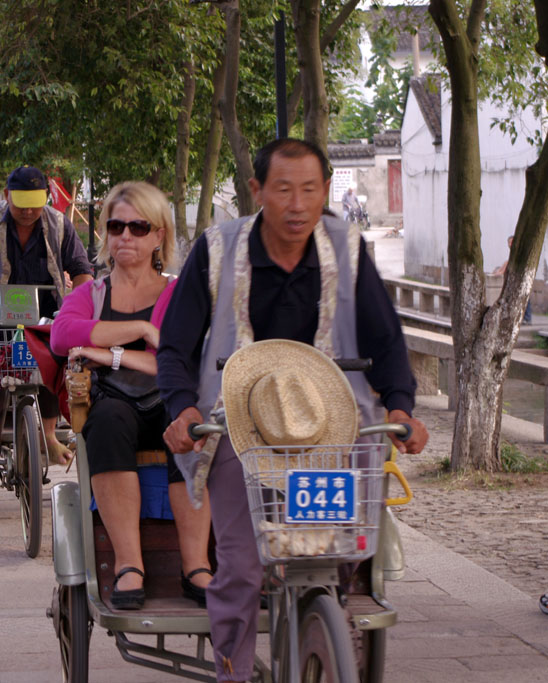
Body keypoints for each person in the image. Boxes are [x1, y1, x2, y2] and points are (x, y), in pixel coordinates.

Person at [158, 138, 430, 682]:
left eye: (310, 189)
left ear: (327, 190)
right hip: (243, 423)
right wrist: (182, 407)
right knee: (239, 564)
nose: (298, 204)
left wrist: (402, 406)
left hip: (334, 424)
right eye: (283, 189)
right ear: (258, 191)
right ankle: (231, 671)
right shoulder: (218, 248)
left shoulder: (347, 248)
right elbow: (176, 344)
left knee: (345, 548)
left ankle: (330, 618)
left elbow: (387, 339)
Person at [50, 181, 213, 609]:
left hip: (171, 401)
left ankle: (196, 565)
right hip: (116, 406)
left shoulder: (178, 292)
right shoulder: (93, 293)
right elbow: (63, 336)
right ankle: (128, 564)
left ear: (159, 234)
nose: (126, 236)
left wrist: (107, 353)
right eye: (117, 226)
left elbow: (178, 362)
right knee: (105, 423)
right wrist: (142, 332)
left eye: (139, 227)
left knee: (191, 426)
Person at [0, 164, 93, 501]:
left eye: (35, 203)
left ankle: (49, 437)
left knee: (54, 370)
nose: (28, 211)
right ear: (6, 194)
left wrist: (81, 309)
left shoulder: (59, 224)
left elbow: (82, 271)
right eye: (21, 203)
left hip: (45, 320)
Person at [494, 236, 532, 324]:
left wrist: (501, 270)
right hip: (517, 277)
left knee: (525, 296)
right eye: (509, 242)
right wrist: (499, 270)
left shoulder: (519, 251)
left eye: (512, 242)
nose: (510, 244)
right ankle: (523, 317)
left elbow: (509, 262)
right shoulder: (514, 252)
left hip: (523, 276)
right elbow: (508, 261)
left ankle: (528, 318)